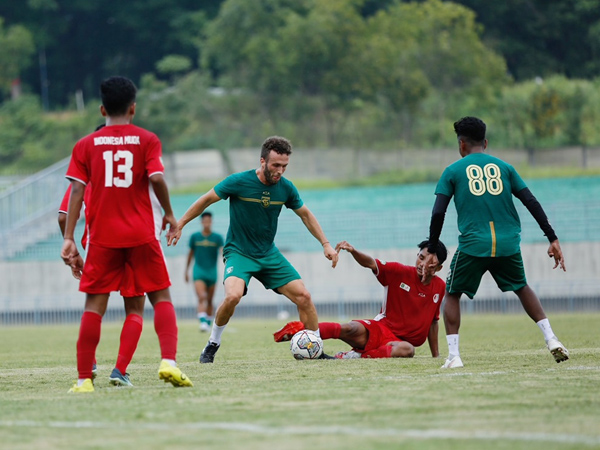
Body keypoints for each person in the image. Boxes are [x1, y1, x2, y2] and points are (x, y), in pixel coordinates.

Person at [61, 76, 192, 392]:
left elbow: (77, 191)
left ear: (102, 108)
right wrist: (171, 215)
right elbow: (157, 179)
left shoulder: (85, 145)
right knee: (160, 296)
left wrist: (68, 238)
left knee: (94, 307)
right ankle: (168, 362)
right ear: (133, 108)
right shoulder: (147, 139)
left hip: (102, 239)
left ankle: (83, 380)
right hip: (141, 234)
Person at [167, 136, 339, 363]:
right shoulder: (239, 182)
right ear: (262, 161)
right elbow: (206, 200)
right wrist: (180, 224)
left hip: (268, 254)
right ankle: (212, 344)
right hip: (239, 252)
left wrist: (325, 244)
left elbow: (305, 214)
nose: (280, 171)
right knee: (233, 296)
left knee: (304, 296)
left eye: (284, 166)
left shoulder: (286, 188)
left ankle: (315, 349)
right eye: (276, 165)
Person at [422, 116, 569, 369]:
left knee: (453, 293)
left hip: (473, 245)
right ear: (485, 143)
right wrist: (552, 237)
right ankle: (551, 338)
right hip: (507, 244)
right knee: (522, 287)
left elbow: (438, 213)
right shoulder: (505, 168)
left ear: (461, 145)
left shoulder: (452, 171)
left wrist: (433, 248)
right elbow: (531, 201)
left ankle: (454, 356)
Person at [274, 240, 447, 359]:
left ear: (438, 268)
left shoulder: (440, 287)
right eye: (421, 257)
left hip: (401, 343)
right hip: (382, 329)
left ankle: (354, 356)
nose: (421, 264)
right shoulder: (399, 272)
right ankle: (301, 332)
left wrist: (435, 356)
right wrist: (353, 251)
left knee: (408, 350)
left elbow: (433, 322)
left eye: (429, 262)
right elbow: (371, 263)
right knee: (350, 328)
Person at [58, 177, 146, 388]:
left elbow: (63, 217)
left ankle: (90, 364)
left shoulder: (88, 171)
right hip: (133, 245)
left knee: (94, 309)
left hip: (99, 246)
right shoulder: (134, 166)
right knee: (135, 309)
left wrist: (72, 248)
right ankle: (120, 371)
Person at [184, 211, 224, 331]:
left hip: (212, 272)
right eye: (204, 221)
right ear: (201, 222)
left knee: (210, 299)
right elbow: (190, 254)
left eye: (209, 221)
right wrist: (186, 271)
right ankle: (202, 323)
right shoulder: (195, 237)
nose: (206, 223)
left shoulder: (217, 238)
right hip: (199, 271)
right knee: (202, 296)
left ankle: (207, 322)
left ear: (211, 222)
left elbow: (223, 252)